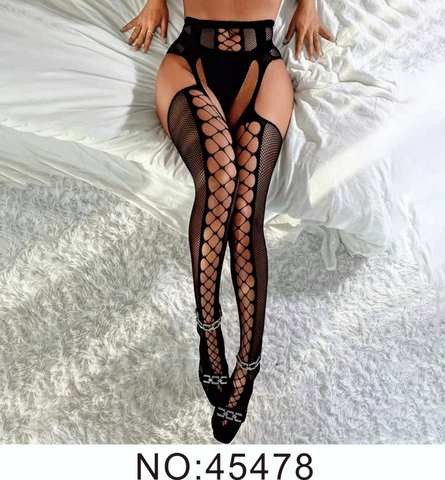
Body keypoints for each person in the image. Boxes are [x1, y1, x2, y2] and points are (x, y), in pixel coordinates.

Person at [121, 0, 334, 444]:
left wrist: (309, 6)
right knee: (219, 180)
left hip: (262, 60)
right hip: (191, 57)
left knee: (246, 209)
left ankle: (248, 364)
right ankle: (209, 332)